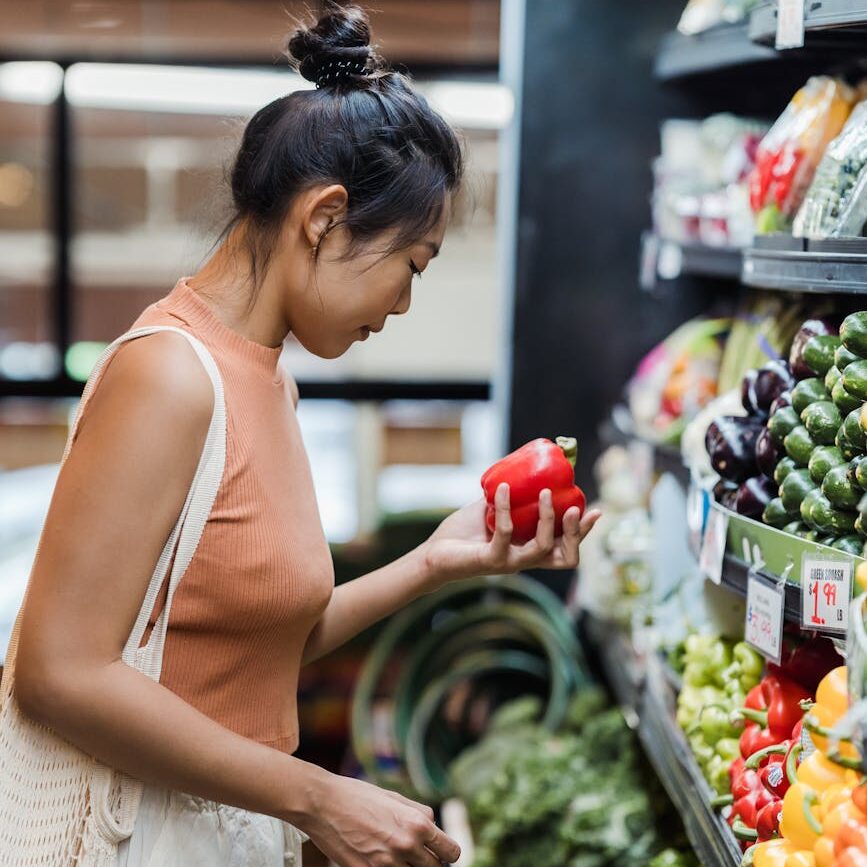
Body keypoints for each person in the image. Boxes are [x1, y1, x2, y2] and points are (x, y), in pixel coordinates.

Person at [11, 5, 601, 866]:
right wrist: (321, 797)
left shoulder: (267, 376)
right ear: (325, 218)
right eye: (412, 265)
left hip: (226, 824)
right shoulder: (171, 373)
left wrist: (436, 561)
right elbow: (57, 670)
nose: (402, 304)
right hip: (136, 832)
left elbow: (256, 637)